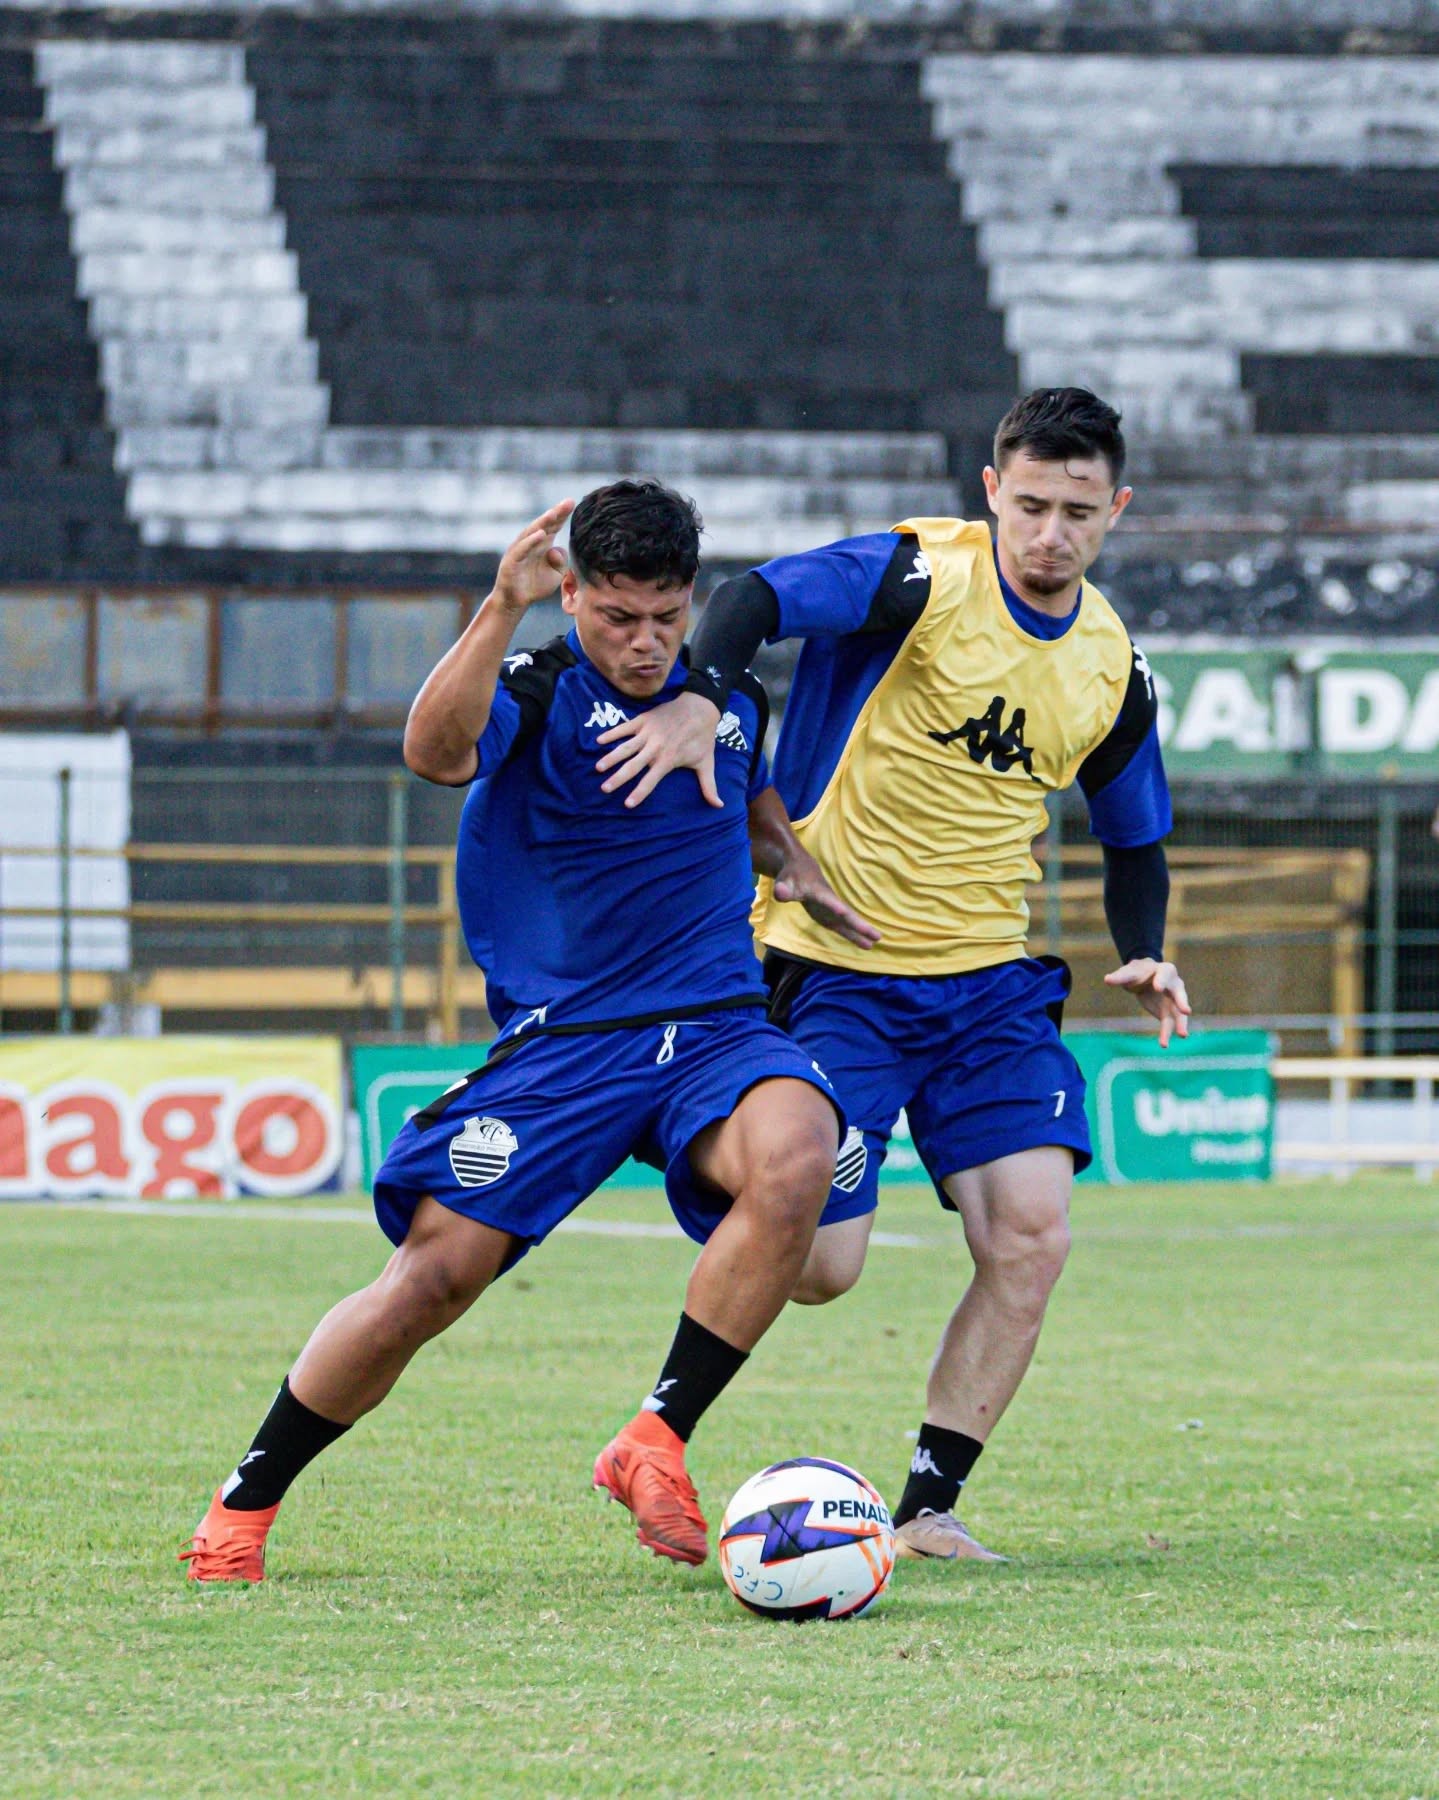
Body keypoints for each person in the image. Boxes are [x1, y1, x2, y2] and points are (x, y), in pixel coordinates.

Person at [180, 479, 870, 1581]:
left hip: (714, 1028)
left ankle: (653, 1438)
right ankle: (244, 1505)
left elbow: (737, 797)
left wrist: (786, 855)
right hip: (569, 1044)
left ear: (690, 599)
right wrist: (497, 609)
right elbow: (432, 752)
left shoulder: (728, 701)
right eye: (615, 618)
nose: (643, 645)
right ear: (572, 595)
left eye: (664, 618)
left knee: (793, 1152)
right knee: (430, 1281)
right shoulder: (538, 691)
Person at [592, 389, 1192, 1563]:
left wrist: (1147, 941)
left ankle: (925, 1507)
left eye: (1077, 511)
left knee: (1031, 1233)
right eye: (1028, 504)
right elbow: (751, 597)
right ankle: (692, 1143)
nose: (1049, 533)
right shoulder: (919, 575)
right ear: (990, 490)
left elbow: (1135, 835)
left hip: (987, 987)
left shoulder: (1113, 667)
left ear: (1114, 509)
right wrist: (698, 705)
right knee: (823, 1267)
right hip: (831, 967)